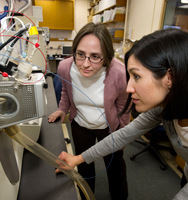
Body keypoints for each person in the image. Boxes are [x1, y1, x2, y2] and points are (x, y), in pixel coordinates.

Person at [56, 28, 188, 200]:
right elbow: (123, 135)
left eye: (136, 76)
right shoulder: (165, 107)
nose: (128, 88)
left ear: (170, 77)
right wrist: (77, 159)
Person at [48, 22, 130, 200]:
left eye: (95, 56)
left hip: (110, 128)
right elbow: (65, 90)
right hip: (81, 125)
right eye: (80, 54)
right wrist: (63, 109)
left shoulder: (119, 72)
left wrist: (124, 133)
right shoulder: (65, 67)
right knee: (84, 166)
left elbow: (125, 105)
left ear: (107, 56)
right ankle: (87, 196)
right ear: (74, 50)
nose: (85, 64)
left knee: (115, 167)